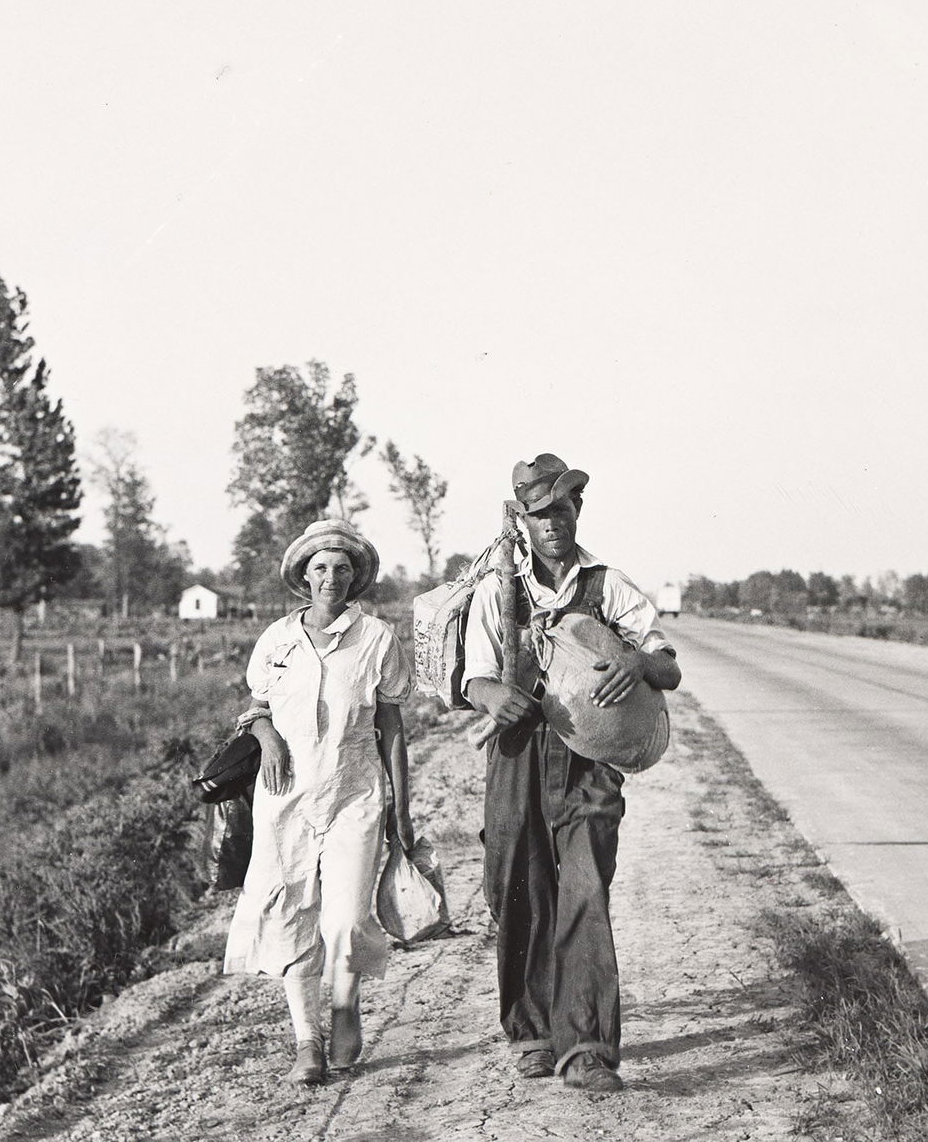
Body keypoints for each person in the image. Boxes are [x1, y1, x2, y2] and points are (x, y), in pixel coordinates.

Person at [462, 453, 681, 1093]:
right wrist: (490, 695)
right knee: (517, 887)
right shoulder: (494, 588)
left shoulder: (608, 585)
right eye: (538, 514)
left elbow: (669, 665)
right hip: (516, 755)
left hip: (590, 760)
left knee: (585, 889)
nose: (552, 524)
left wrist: (639, 663)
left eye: (562, 509)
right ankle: (531, 1033)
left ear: (577, 511)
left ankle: (586, 1046)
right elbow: (470, 677)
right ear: (521, 523)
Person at [223, 518, 415, 1087]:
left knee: (348, 918)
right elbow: (256, 707)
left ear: (356, 579)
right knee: (290, 914)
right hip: (284, 796)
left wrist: (402, 807)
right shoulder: (277, 639)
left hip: (354, 790)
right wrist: (269, 737)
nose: (332, 578)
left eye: (342, 569)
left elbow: (392, 726)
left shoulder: (376, 638)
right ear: (304, 577)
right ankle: (308, 1041)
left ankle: (345, 1003)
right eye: (320, 568)